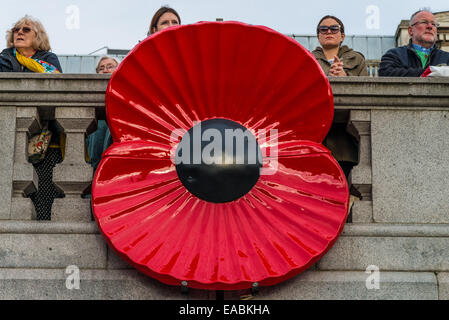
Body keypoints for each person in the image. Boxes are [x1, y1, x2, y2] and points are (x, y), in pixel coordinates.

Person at [1, 16, 63, 220]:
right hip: (10, 136)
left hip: (46, 140)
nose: (19, 32)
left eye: (26, 29)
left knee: (44, 196)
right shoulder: (5, 57)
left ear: (38, 36)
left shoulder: (49, 59)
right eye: (16, 29)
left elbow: (56, 86)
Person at [379, 9, 449, 77]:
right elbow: (385, 72)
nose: (430, 26)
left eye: (433, 24)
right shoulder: (394, 55)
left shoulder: (447, 58)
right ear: (410, 30)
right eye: (424, 22)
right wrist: (429, 72)